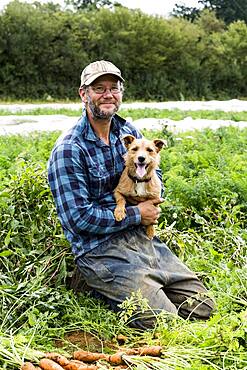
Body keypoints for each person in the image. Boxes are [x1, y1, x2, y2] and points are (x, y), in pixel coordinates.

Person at [47, 60, 215, 329]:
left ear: (121, 92)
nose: (108, 94)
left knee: (203, 306)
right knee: (165, 323)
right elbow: (78, 218)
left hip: (138, 237)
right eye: (98, 88)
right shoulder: (69, 149)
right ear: (83, 94)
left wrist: (150, 194)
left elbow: (152, 171)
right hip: (100, 250)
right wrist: (138, 214)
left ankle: (144, 282)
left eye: (114, 88)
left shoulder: (129, 133)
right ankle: (94, 282)